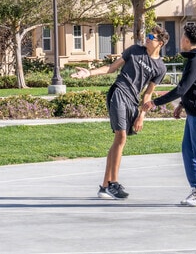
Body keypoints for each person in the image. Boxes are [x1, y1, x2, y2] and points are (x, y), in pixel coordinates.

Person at [71, 26, 169, 200]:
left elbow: (148, 93)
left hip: (132, 100)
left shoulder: (160, 67)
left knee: (118, 140)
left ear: (160, 43)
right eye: (147, 35)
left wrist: (142, 115)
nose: (147, 38)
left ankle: (105, 186)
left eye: (151, 37)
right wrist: (89, 73)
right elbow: (111, 68)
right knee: (121, 136)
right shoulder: (134, 50)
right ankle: (114, 184)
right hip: (118, 91)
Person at [141, 23, 196, 207]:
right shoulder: (194, 59)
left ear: (185, 40)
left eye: (182, 36)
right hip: (194, 112)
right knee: (188, 151)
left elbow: (181, 88)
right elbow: (191, 87)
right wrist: (182, 105)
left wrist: (155, 102)